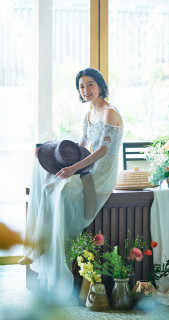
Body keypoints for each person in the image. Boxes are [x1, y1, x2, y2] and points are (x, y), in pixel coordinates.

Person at [19, 68, 123, 299]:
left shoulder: (110, 112)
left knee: (63, 189)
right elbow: (82, 148)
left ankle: (57, 247)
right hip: (87, 166)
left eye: (90, 85)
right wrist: (54, 159)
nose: (86, 90)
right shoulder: (87, 115)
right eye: (82, 86)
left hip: (103, 171)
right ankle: (38, 245)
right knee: (47, 179)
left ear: (100, 86)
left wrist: (73, 169)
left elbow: (102, 151)